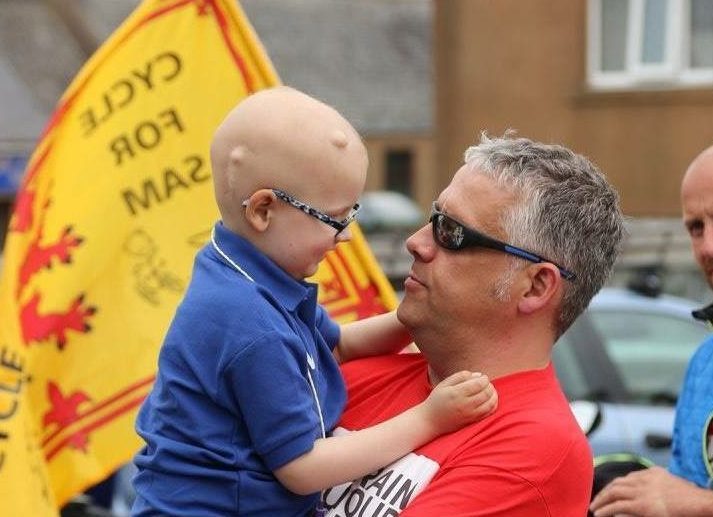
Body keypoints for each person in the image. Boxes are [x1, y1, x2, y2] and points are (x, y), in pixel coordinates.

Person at [131, 86, 497, 516]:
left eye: (351, 216)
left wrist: (413, 317)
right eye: (334, 219)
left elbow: (335, 345)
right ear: (264, 210)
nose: (345, 236)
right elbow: (302, 467)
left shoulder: (245, 275)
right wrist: (429, 419)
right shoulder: (249, 323)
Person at [318, 133, 625, 516]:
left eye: (451, 233)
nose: (416, 243)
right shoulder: (358, 372)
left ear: (535, 286)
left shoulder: (536, 448)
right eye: (432, 219)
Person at [590, 146, 713, 517]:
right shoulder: (702, 364)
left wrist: (697, 504)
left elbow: (688, 500)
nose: (707, 247)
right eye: (696, 227)